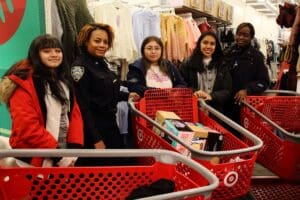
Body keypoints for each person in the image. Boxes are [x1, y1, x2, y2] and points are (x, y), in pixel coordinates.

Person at [0, 34, 84, 167]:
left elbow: (75, 115)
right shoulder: (23, 84)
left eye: (58, 50)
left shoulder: (63, 82)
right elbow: (27, 126)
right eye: (47, 51)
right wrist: (58, 155)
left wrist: (74, 151)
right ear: (35, 54)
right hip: (33, 159)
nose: (54, 54)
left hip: (63, 157)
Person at [71, 23, 139, 166]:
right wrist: (96, 138)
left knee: (119, 166)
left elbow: (106, 92)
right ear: (86, 41)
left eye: (106, 42)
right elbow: (83, 106)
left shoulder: (102, 63)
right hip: (93, 129)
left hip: (110, 124)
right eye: (97, 41)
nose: (102, 45)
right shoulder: (80, 67)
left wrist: (126, 96)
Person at [223, 22, 270, 129]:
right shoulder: (228, 53)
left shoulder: (257, 57)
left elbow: (264, 82)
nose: (241, 37)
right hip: (226, 104)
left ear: (251, 37)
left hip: (245, 107)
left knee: (242, 135)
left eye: (245, 35)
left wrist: (247, 90)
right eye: (239, 34)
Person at [179, 31, 232, 113]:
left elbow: (227, 91)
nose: (208, 46)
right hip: (193, 111)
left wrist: (212, 96)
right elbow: (181, 87)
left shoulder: (222, 65)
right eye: (205, 43)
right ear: (199, 44)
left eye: (212, 44)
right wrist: (195, 92)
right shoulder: (187, 65)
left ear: (216, 46)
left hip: (215, 112)